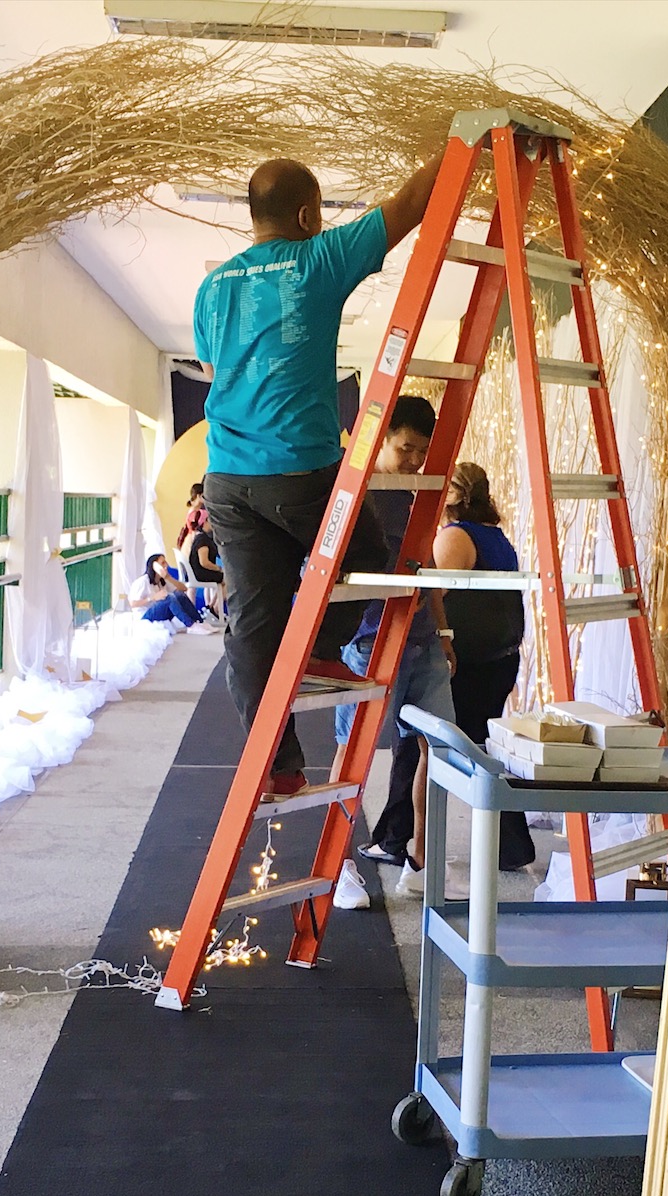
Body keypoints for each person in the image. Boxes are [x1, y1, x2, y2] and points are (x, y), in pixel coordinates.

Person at [194, 148, 444, 799]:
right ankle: (321, 646)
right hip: (301, 469)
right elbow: (412, 203)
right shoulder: (316, 260)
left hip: (227, 477)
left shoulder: (211, 287)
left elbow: (216, 373)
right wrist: (454, 140)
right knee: (363, 553)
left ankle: (276, 762)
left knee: (251, 619)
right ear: (307, 214)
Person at [329, 396, 450, 910]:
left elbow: (429, 566)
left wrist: (444, 636)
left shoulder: (421, 491)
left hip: (421, 637)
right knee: (353, 753)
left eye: (422, 452)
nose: (414, 461)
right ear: (381, 439)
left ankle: (421, 863)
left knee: (440, 749)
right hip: (370, 639)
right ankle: (337, 866)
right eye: (405, 449)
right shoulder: (358, 491)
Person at [433, 461, 534, 871]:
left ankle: (510, 843)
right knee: (484, 747)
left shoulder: (456, 537)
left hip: (468, 659)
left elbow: (433, 592)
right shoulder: (495, 536)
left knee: (458, 748)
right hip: (499, 655)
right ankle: (511, 844)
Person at [136, 553, 199, 628]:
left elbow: (184, 589)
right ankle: (191, 625)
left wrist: (168, 577)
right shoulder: (143, 581)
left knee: (179, 595)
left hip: (161, 613)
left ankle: (199, 622)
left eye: (166, 562)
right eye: (163, 563)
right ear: (155, 566)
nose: (166, 565)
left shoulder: (162, 580)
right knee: (169, 598)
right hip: (145, 615)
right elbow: (133, 603)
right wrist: (152, 598)